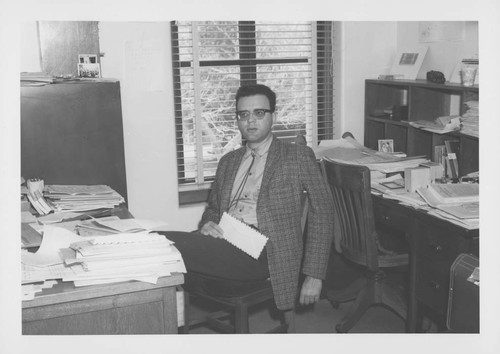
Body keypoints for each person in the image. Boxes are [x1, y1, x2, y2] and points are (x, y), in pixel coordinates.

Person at [163, 84, 334, 312]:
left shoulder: (296, 156)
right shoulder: (228, 162)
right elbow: (213, 208)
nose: (250, 121)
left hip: (265, 253)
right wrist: (207, 224)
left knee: (161, 243)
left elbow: (323, 211)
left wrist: (314, 274)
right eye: (243, 114)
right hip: (224, 242)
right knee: (163, 250)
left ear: (274, 115)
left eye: (259, 113)